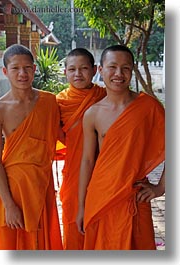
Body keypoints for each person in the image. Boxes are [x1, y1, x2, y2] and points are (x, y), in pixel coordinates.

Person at [76, 44, 165, 250]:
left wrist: (160, 187)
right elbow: (88, 161)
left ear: (132, 71)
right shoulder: (93, 114)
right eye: (112, 67)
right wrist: (81, 206)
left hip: (134, 195)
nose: (118, 73)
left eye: (125, 68)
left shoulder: (148, 107)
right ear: (100, 70)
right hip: (101, 195)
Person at [0, 44, 63, 250]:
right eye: (16, 68)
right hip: (14, 188)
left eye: (27, 68)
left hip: (42, 183)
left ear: (35, 69)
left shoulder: (49, 101)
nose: (22, 73)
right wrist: (8, 204)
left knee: (41, 243)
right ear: (5, 72)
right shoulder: (0, 108)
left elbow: (67, 136)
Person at [56, 48, 106, 250]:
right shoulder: (58, 103)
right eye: (72, 69)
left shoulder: (105, 96)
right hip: (74, 175)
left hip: (104, 173)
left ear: (94, 70)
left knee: (102, 227)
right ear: (65, 72)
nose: (78, 74)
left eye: (84, 68)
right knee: (74, 228)